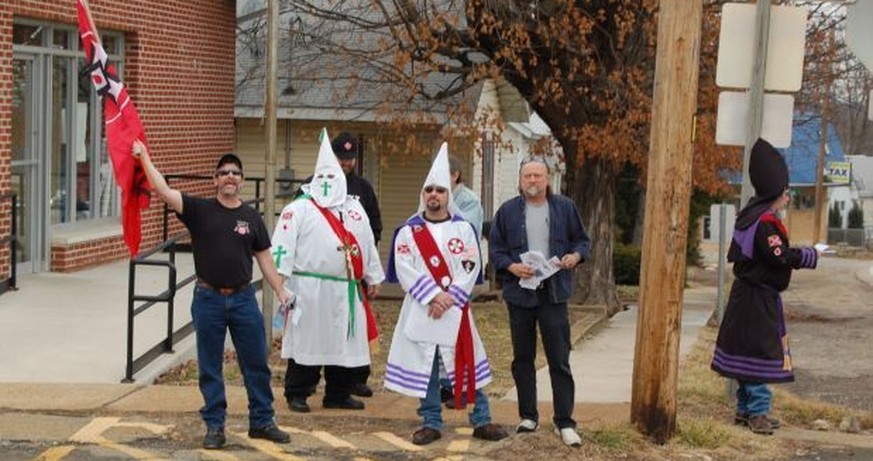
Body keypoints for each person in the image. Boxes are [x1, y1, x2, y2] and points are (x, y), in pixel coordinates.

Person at [132, 140, 291, 450]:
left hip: (244, 300)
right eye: (223, 172)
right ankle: (215, 427)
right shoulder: (199, 210)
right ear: (215, 179)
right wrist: (144, 157)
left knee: (256, 362)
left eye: (235, 173)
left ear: (241, 180)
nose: (229, 177)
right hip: (209, 300)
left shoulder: (252, 218)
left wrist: (281, 291)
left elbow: (265, 260)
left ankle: (262, 421)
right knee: (209, 366)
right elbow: (164, 191)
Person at [383, 143, 508, 446]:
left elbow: (470, 265)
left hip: (454, 308)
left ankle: (481, 419)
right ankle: (431, 421)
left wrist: (448, 297)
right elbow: (404, 266)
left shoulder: (463, 228)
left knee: (466, 359)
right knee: (427, 365)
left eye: (440, 190)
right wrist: (432, 297)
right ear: (423, 194)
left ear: (448, 193)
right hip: (422, 308)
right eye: (429, 190)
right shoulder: (408, 232)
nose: (434, 195)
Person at [711, 138, 819, 435]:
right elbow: (778, 256)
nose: (788, 198)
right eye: (786, 193)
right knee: (759, 351)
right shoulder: (766, 222)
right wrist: (808, 255)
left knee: (747, 348)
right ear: (776, 193)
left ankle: (744, 410)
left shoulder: (751, 215)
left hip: (746, 295)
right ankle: (757, 412)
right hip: (757, 297)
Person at [272, 129, 384, 414]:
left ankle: (338, 392)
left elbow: (367, 242)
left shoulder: (355, 209)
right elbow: (281, 246)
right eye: (322, 178)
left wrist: (372, 276)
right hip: (308, 288)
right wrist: (280, 282)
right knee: (308, 341)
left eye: (332, 178)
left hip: (344, 288)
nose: (326, 184)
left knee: (342, 342)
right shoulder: (298, 209)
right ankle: (297, 392)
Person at [488, 155, 590, 447]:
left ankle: (564, 421)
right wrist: (511, 267)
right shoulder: (507, 212)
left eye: (538, 175)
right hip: (520, 293)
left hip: (553, 292)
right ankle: (528, 416)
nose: (532, 181)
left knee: (559, 358)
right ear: (521, 181)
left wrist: (575, 256)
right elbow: (495, 250)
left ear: (547, 179)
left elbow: (582, 241)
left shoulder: (565, 208)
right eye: (527, 176)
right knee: (523, 359)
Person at [440, 154, 485, 407]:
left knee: (457, 331)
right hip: (435, 276)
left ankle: (459, 383)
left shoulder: (468, 201)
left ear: (454, 175)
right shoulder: (433, 197)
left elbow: (464, 234)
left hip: (458, 275)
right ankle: (443, 384)